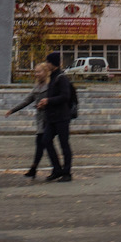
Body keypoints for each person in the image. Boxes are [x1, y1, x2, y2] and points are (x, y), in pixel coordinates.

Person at [7, 62, 53, 180]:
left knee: (43, 144)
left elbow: (56, 101)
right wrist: (12, 110)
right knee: (43, 144)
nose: (36, 74)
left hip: (50, 120)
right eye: (36, 72)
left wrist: (46, 104)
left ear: (46, 72)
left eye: (39, 72)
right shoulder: (37, 87)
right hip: (40, 120)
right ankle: (39, 168)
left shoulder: (51, 86)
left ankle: (38, 168)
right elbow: (26, 101)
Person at [38, 53, 77, 182]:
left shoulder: (61, 78)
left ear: (52, 63)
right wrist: (44, 103)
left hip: (62, 117)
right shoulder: (52, 77)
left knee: (64, 144)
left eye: (47, 62)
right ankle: (57, 169)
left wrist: (49, 100)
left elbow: (65, 96)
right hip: (51, 117)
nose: (46, 64)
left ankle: (67, 173)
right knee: (46, 140)